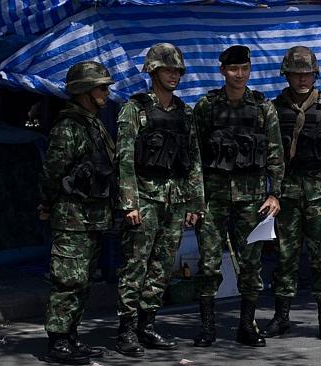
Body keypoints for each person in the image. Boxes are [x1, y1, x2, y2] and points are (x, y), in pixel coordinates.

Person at [114, 43, 205, 357]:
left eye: (177, 70)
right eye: (168, 69)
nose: (174, 75)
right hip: (145, 198)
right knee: (135, 265)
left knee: (162, 266)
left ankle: (147, 325)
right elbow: (124, 160)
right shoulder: (134, 109)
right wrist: (130, 203)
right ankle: (126, 330)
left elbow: (193, 161)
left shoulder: (184, 112)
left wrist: (195, 203)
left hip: (175, 200)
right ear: (153, 71)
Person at [192, 45, 285, 348]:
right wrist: (194, 198)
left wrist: (274, 194)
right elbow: (195, 155)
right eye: (233, 69)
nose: (239, 75)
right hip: (213, 197)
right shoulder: (207, 106)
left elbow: (275, 153)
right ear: (222, 70)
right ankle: (207, 327)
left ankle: (247, 326)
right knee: (208, 263)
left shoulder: (262, 107)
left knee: (251, 263)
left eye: (244, 69)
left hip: (252, 197)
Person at [260, 46, 321, 341]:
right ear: (286, 74)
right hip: (285, 193)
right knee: (285, 255)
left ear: (315, 74)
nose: (303, 79)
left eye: (308, 74)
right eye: (297, 74)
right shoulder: (273, 109)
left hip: (318, 194)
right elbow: (268, 152)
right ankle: (281, 317)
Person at [38, 61, 116, 365]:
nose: (106, 92)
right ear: (84, 90)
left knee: (83, 282)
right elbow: (52, 173)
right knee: (67, 281)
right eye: (101, 87)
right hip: (72, 219)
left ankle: (70, 337)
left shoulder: (93, 123)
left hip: (93, 217)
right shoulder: (68, 127)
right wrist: (47, 204)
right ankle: (58, 341)